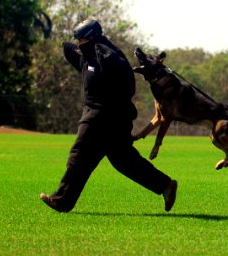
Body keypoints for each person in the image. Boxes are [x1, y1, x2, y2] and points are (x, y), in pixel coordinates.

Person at [39, 18, 177, 213]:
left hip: (103, 115)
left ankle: (61, 201)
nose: (78, 43)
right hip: (106, 117)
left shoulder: (108, 56)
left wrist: (112, 106)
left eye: (81, 39)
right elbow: (68, 49)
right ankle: (165, 185)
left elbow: (127, 85)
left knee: (79, 155)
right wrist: (79, 46)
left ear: (92, 37)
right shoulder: (89, 55)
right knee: (124, 160)